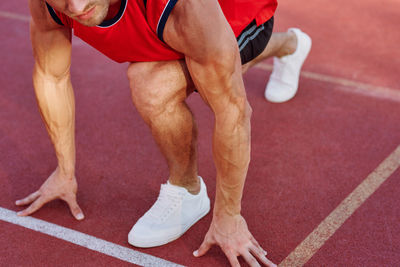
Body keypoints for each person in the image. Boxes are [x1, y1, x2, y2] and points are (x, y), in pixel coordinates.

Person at [16, 0, 311, 266]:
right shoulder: (49, 4)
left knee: (154, 86)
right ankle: (290, 45)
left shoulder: (188, 9)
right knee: (189, 58)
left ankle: (186, 192)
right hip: (173, 31)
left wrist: (229, 217)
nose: (77, 7)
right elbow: (50, 76)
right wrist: (64, 172)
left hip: (239, 13)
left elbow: (232, 112)